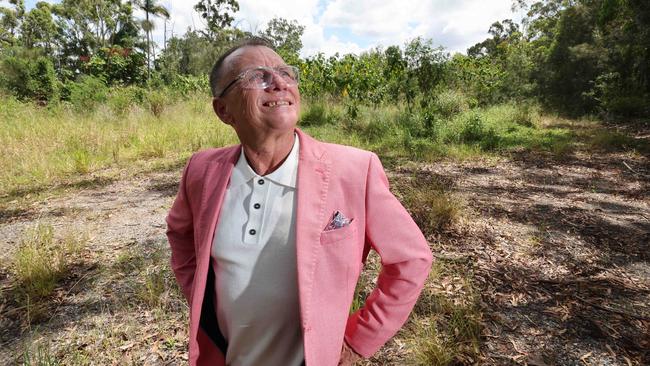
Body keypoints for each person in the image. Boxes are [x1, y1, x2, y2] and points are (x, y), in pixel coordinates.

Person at [166, 37, 433, 366]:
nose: (278, 83)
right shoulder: (202, 170)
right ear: (224, 110)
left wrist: (357, 339)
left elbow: (412, 259)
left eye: (285, 73)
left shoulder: (354, 170)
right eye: (257, 76)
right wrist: (198, 293)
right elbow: (179, 234)